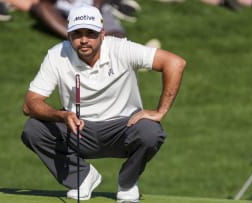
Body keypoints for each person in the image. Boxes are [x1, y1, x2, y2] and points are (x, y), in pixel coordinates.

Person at [21, 5, 186, 202]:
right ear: (68, 34)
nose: (83, 40)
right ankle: (82, 177)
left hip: (124, 128)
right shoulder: (57, 55)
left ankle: (127, 183)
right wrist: (62, 115)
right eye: (77, 33)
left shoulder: (120, 48)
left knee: (151, 132)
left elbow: (175, 63)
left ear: (102, 33)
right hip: (79, 130)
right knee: (33, 129)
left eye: (90, 33)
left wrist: (160, 111)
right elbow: (30, 104)